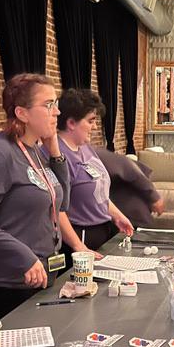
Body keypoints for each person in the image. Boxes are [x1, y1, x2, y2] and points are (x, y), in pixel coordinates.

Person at [0, 74, 69, 318]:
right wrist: (24, 256)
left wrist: (55, 151)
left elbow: (61, 204)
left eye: (56, 103)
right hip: (9, 284)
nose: (57, 112)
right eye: (48, 104)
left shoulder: (36, 151)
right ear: (22, 113)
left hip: (42, 275)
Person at [55, 88, 133, 262]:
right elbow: (56, 208)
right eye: (91, 121)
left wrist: (117, 215)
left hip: (104, 230)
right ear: (71, 123)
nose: (95, 127)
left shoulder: (85, 147)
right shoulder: (57, 154)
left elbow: (98, 191)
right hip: (81, 237)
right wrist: (78, 246)